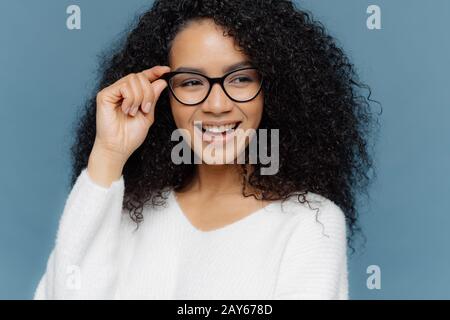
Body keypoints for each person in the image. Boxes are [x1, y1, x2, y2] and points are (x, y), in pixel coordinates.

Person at [34, 0, 377, 299]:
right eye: (192, 82)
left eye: (240, 78)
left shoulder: (311, 223)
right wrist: (109, 153)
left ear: (273, 89)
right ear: (165, 95)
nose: (216, 104)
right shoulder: (126, 211)